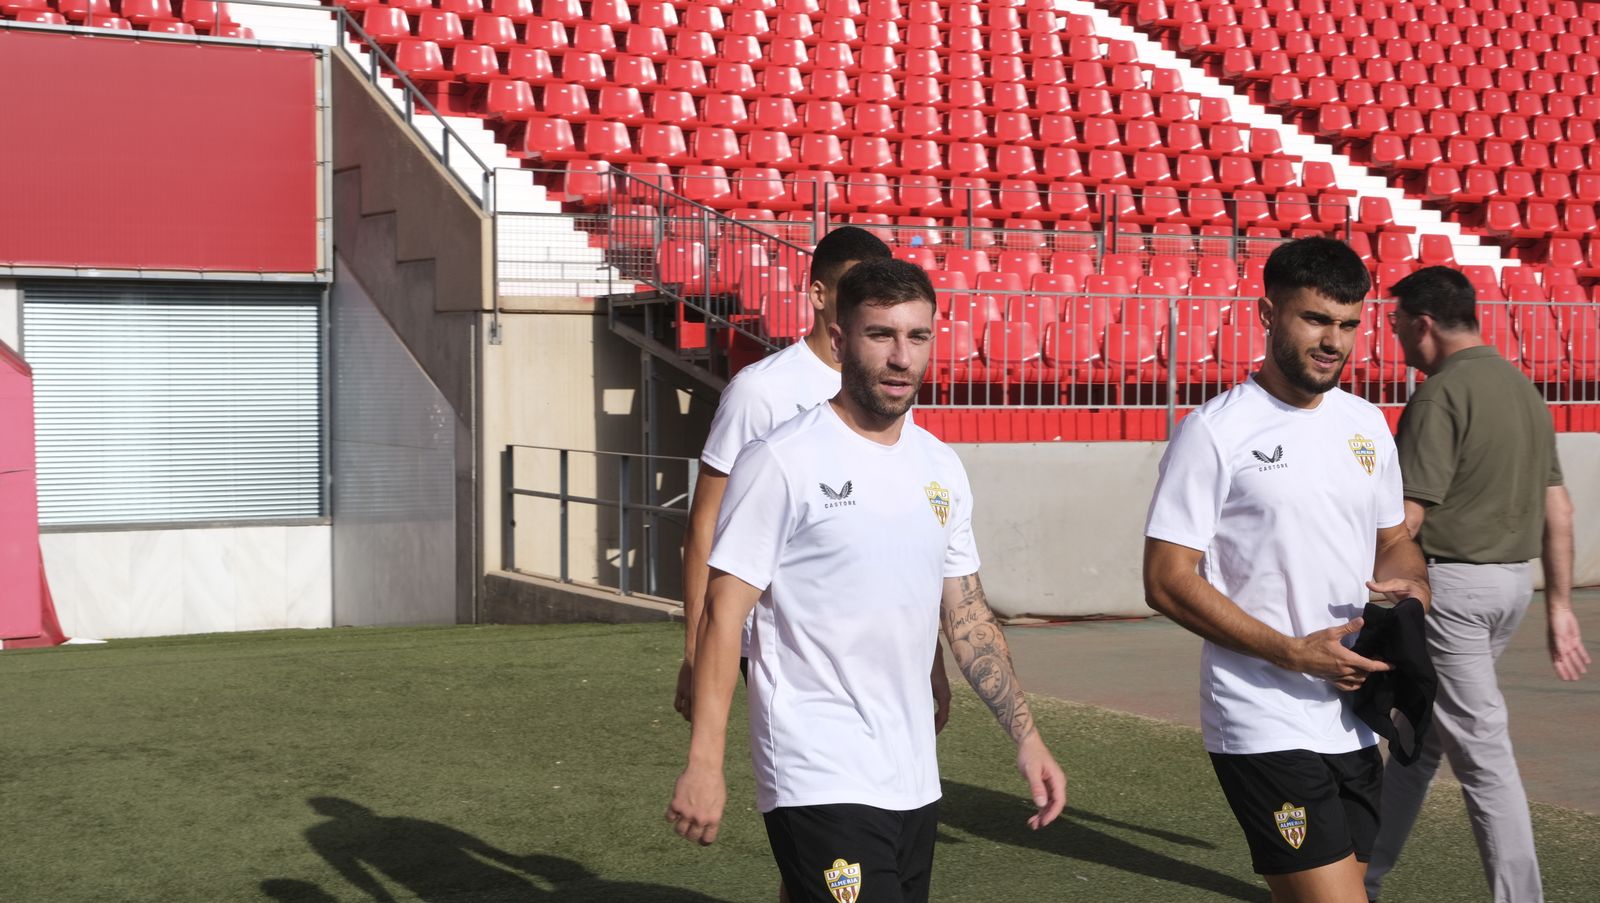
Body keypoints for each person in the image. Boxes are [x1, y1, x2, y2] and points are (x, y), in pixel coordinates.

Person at [665, 259, 1067, 903]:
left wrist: (1027, 737)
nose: (901, 357)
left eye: (917, 337)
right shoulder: (783, 460)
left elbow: (966, 619)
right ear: (839, 340)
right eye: (881, 334)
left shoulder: (941, 467)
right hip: (817, 770)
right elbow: (722, 614)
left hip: (911, 776)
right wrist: (704, 764)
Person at [1142, 237, 1431, 903]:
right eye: (1316, 320)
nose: (1335, 340)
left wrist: (1413, 581)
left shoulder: (1367, 425)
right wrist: (1293, 653)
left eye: (1350, 324)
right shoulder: (1215, 431)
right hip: (1261, 716)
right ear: (1268, 314)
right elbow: (1165, 578)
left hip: (1354, 712)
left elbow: (1393, 539)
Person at [1365, 266, 1590, 903]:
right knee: (1420, 744)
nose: (1394, 334)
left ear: (1425, 323)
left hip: (1453, 596)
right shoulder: (1524, 390)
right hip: (1511, 590)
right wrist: (1562, 609)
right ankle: (1360, 879)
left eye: (1397, 322)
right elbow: (1561, 509)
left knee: (1483, 760)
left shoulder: (1439, 394)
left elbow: (1407, 517)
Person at [674, 226, 952, 731]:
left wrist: (929, 654)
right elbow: (705, 524)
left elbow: (898, 542)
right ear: (819, 294)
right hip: (780, 640)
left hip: (872, 643)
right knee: (805, 782)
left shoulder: (887, 384)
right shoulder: (761, 391)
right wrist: (695, 650)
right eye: (853, 285)